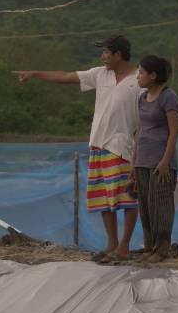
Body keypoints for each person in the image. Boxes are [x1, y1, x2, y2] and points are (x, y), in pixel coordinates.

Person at [13, 35, 142, 262]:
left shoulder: (138, 79)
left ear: (118, 54)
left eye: (105, 53)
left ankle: (124, 245)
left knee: (127, 198)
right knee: (104, 198)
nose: (102, 57)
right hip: (98, 143)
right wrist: (35, 74)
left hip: (121, 146)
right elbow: (66, 76)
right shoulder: (101, 74)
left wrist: (139, 153)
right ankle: (112, 243)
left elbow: (144, 119)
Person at [130, 55, 178, 262]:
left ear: (153, 75)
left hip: (161, 161)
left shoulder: (168, 97)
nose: (138, 76)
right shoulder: (142, 98)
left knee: (160, 204)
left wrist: (165, 162)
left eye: (141, 72)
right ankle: (149, 246)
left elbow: (174, 132)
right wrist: (134, 163)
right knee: (145, 206)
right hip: (143, 159)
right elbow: (140, 131)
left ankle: (162, 248)